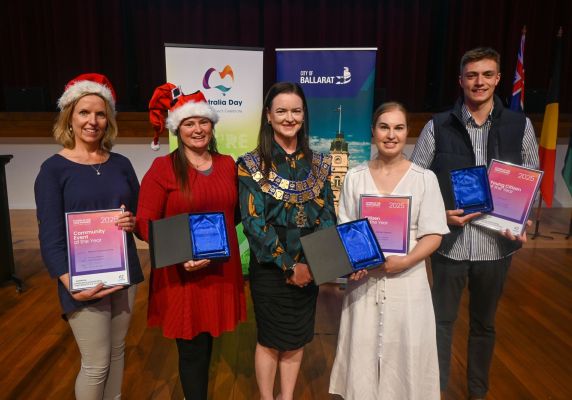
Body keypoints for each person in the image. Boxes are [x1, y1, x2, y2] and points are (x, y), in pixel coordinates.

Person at [410, 47, 539, 399]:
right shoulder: (438, 126)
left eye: (486, 75)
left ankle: (477, 393)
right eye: (471, 75)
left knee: (484, 326)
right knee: (441, 324)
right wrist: (438, 218)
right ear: (461, 80)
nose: (478, 82)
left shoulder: (520, 125)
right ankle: (433, 391)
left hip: (497, 246)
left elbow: (530, 181)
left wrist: (523, 221)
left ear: (498, 79)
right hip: (449, 244)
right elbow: (416, 181)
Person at [328, 102, 449, 400]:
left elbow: (433, 234)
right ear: (373, 132)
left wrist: (406, 261)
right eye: (384, 127)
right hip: (364, 280)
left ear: (408, 132)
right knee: (362, 351)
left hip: (409, 280)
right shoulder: (355, 178)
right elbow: (346, 228)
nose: (391, 135)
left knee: (406, 354)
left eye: (399, 128)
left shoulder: (424, 179)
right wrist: (354, 261)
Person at [34, 73, 143, 400]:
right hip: (81, 280)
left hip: (124, 274)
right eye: (84, 112)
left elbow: (139, 215)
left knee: (117, 351)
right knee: (96, 363)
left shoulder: (121, 164)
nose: (92, 121)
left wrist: (131, 220)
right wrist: (71, 284)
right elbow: (49, 235)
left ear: (108, 119)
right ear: (69, 117)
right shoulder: (53, 170)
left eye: (100, 113)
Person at [135, 84, 246, 400]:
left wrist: (215, 243)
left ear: (212, 125)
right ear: (177, 128)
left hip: (218, 270)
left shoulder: (227, 164)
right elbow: (145, 223)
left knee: (208, 340)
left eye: (203, 121)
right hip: (182, 274)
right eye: (189, 123)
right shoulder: (163, 169)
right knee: (192, 350)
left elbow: (235, 214)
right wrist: (182, 252)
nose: (198, 129)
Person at [238, 82, 336, 400]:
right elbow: (254, 224)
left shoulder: (320, 163)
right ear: (268, 116)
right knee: (270, 338)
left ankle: (287, 397)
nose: (289, 117)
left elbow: (327, 218)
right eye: (281, 111)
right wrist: (289, 265)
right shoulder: (251, 164)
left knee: (297, 338)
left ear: (304, 115)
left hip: (310, 265)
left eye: (296, 110)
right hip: (271, 266)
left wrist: (311, 264)